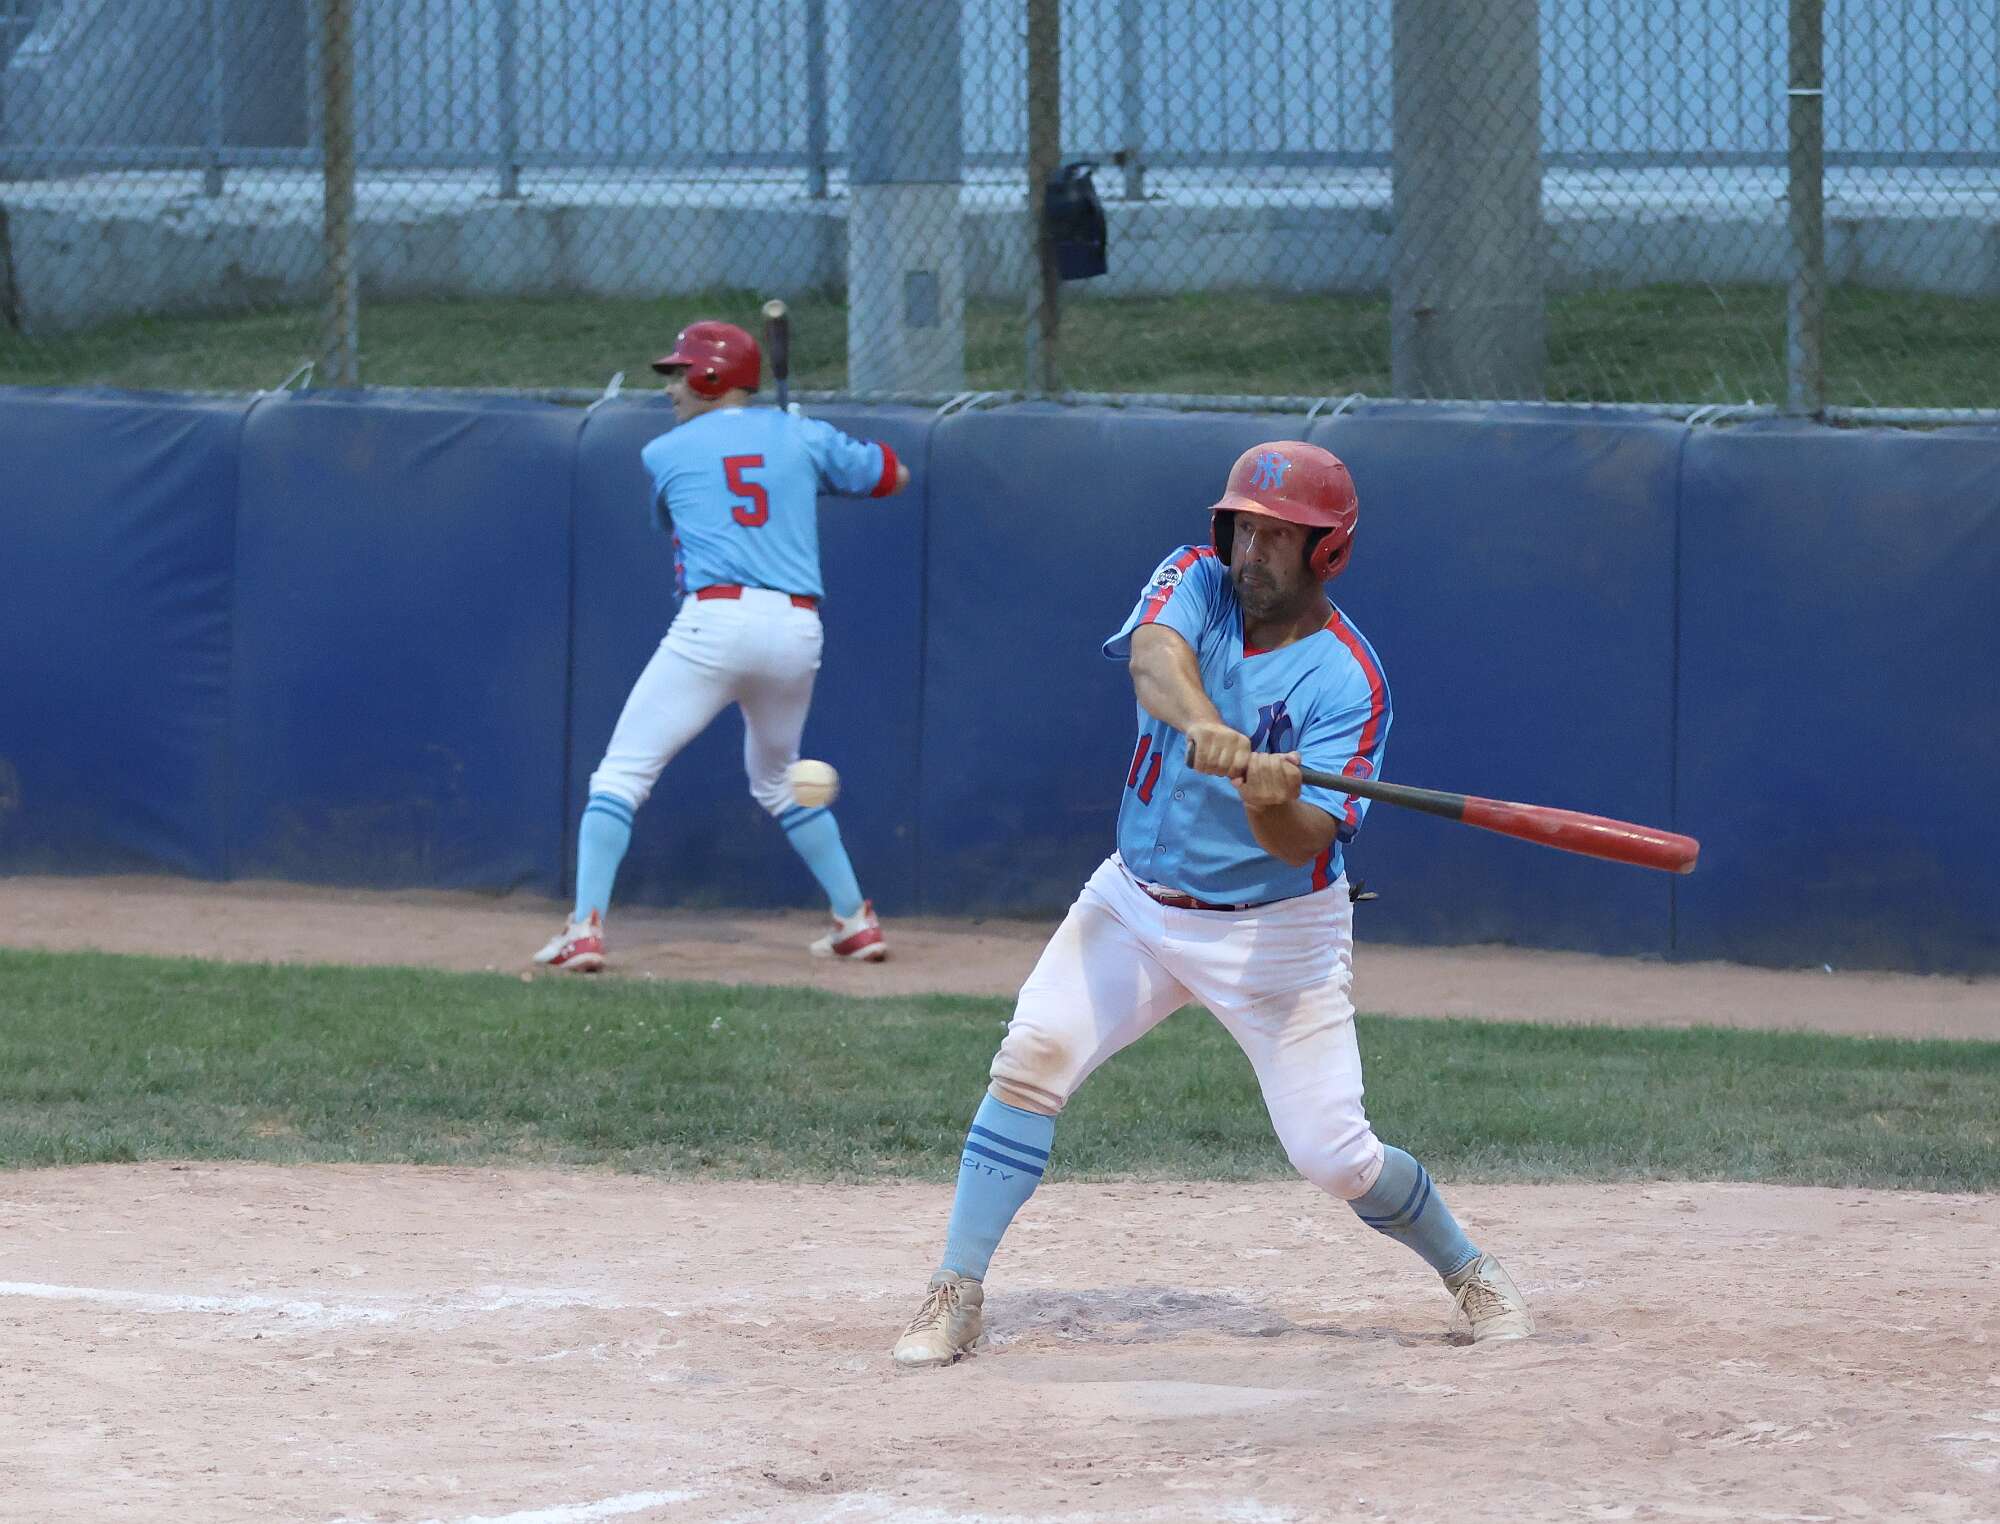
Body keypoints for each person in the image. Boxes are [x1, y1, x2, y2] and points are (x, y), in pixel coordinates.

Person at [890, 440, 1533, 1366]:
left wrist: (1266, 795)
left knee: (1336, 1157)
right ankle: (955, 1288)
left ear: (1327, 551)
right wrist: (1210, 728)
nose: (1251, 552)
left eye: (1278, 536)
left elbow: (1305, 841)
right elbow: (1153, 660)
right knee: (1031, 1056)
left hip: (1278, 932)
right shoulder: (1194, 577)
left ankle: (1469, 1268)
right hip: (1135, 903)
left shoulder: (1350, 678)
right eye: (1243, 529)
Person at [534, 320, 910, 973]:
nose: (672, 387)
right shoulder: (801, 433)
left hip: (716, 621)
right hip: (796, 632)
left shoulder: (663, 452)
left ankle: (584, 930)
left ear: (713, 377)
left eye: (681, 374)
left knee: (621, 774)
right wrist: (815, 451)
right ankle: (856, 922)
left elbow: (679, 518)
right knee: (779, 780)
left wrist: (792, 448)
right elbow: (893, 475)